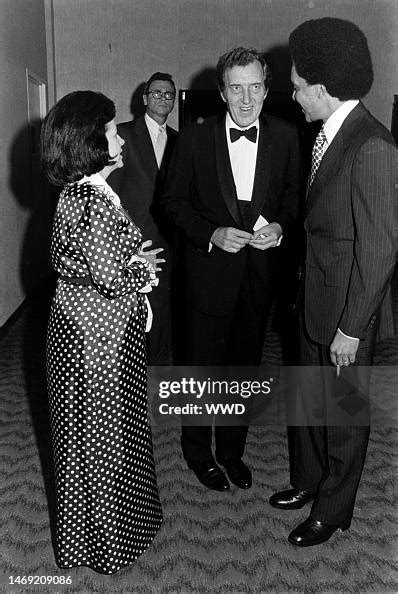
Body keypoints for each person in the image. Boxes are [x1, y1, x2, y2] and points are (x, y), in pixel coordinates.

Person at [269, 18, 398, 547]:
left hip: (348, 313)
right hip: (313, 300)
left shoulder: (372, 145)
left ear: (321, 87)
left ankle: (333, 508)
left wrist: (352, 328)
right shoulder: (327, 132)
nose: (294, 95)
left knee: (343, 417)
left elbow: (381, 249)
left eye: (297, 85)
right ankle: (307, 480)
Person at [163, 47, 300, 492]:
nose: (246, 99)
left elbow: (295, 198)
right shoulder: (195, 139)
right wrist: (211, 234)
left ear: (266, 88)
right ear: (222, 92)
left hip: (258, 278)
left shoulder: (285, 135)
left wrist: (280, 226)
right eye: (236, 88)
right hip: (206, 277)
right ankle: (199, 452)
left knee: (243, 369)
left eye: (255, 88)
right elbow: (171, 204)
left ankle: (232, 453)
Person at [41, 90, 165, 574]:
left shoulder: (87, 191)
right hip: (99, 341)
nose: (120, 136)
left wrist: (131, 261)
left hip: (88, 331)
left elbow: (101, 263)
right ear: (91, 140)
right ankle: (110, 545)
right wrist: (142, 271)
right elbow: (113, 278)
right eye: (112, 129)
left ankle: (96, 540)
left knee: (93, 439)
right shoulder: (89, 200)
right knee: (105, 439)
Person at [108, 72, 178, 365]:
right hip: (135, 243)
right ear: (145, 98)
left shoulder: (181, 139)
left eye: (169, 94)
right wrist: (125, 243)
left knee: (163, 314)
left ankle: (157, 373)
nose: (163, 98)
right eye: (157, 93)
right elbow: (110, 194)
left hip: (172, 241)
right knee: (130, 316)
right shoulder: (121, 136)